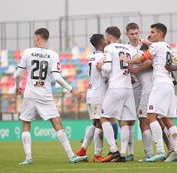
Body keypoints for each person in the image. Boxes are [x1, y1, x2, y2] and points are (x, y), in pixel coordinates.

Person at [15, 28, 87, 165]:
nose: (33, 39)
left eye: (34, 37)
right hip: (45, 94)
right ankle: (71, 155)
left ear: (38, 38)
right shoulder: (53, 55)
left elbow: (18, 74)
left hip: (30, 94)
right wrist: (73, 90)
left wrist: (17, 86)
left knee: (26, 124)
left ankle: (28, 158)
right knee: (57, 124)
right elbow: (57, 78)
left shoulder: (28, 52)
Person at [121, 23, 177, 162]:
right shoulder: (167, 46)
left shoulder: (155, 46)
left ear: (160, 34)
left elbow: (144, 58)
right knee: (167, 119)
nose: (151, 35)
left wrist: (129, 60)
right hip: (168, 83)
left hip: (159, 84)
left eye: (153, 32)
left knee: (149, 118)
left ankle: (159, 151)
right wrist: (147, 42)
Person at [96, 26, 137, 162]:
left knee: (104, 118)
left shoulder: (109, 48)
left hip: (116, 87)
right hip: (128, 88)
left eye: (106, 35)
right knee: (124, 121)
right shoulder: (127, 49)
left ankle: (114, 150)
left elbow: (107, 68)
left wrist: (101, 66)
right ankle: (123, 153)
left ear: (109, 36)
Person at [125, 22, 154, 161]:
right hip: (134, 89)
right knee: (130, 120)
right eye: (132, 34)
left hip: (148, 87)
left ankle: (151, 153)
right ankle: (131, 153)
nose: (135, 36)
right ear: (127, 35)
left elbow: (150, 61)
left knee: (148, 120)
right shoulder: (125, 49)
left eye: (137, 33)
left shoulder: (146, 46)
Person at [76, 34, 107, 162]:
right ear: (101, 42)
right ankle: (97, 154)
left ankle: (82, 151)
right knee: (100, 123)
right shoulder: (102, 56)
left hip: (92, 93)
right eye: (104, 39)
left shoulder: (92, 56)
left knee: (95, 123)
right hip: (98, 94)